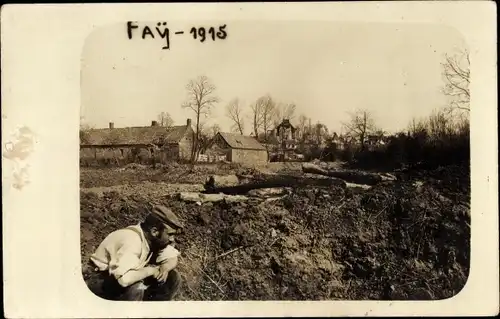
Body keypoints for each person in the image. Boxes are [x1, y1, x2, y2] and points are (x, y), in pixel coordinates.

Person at [86, 205, 184, 301]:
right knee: (136, 288)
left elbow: (171, 257)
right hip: (98, 279)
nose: (172, 239)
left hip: (118, 278)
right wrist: (151, 270)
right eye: (170, 234)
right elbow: (123, 280)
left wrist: (165, 268)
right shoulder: (132, 240)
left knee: (173, 277)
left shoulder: (152, 240)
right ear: (154, 231)